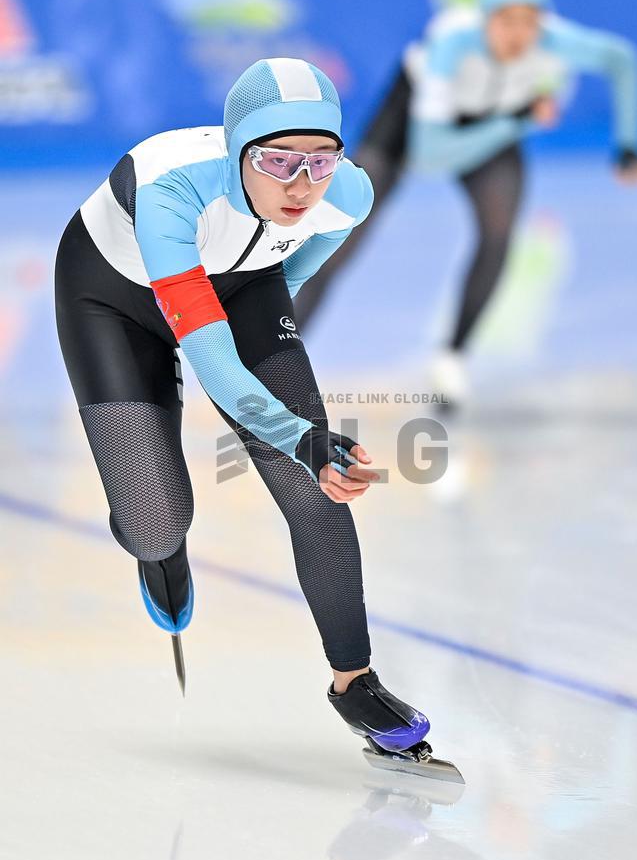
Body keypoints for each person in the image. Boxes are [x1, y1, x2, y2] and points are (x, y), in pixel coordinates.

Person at [54, 57, 434, 761]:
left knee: (314, 484)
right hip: (112, 298)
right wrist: (300, 433)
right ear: (237, 153)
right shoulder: (175, 193)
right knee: (156, 518)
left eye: (320, 162)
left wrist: (262, 328)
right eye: (279, 160)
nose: (301, 185)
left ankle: (355, 683)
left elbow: (298, 265)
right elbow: (217, 368)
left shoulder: (348, 194)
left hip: (237, 286)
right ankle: (154, 546)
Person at [295, 0, 637, 405]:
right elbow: (429, 155)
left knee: (499, 234)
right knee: (340, 237)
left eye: (531, 21)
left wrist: (628, 146)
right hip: (412, 129)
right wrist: (517, 118)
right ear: (484, 19)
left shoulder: (556, 42)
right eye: (507, 20)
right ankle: (274, 356)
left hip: (492, 131)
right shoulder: (452, 43)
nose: (519, 35)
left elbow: (622, 60)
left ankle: (452, 359)